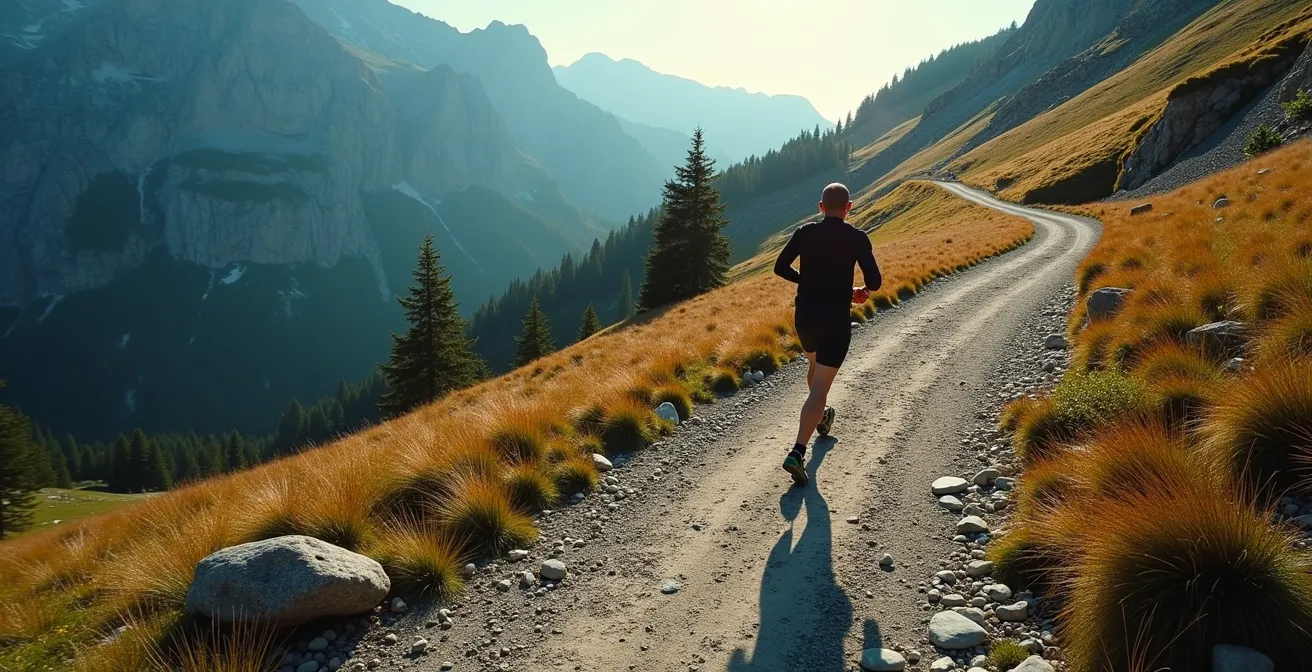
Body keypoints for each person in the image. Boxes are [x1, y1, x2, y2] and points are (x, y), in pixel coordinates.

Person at [772, 183, 881, 485]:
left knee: (814, 366)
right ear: (849, 207)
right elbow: (875, 281)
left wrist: (807, 280)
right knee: (820, 387)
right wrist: (860, 291)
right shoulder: (857, 237)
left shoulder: (805, 232)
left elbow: (780, 267)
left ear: (821, 207)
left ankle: (820, 416)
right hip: (835, 319)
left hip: (805, 315)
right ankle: (797, 451)